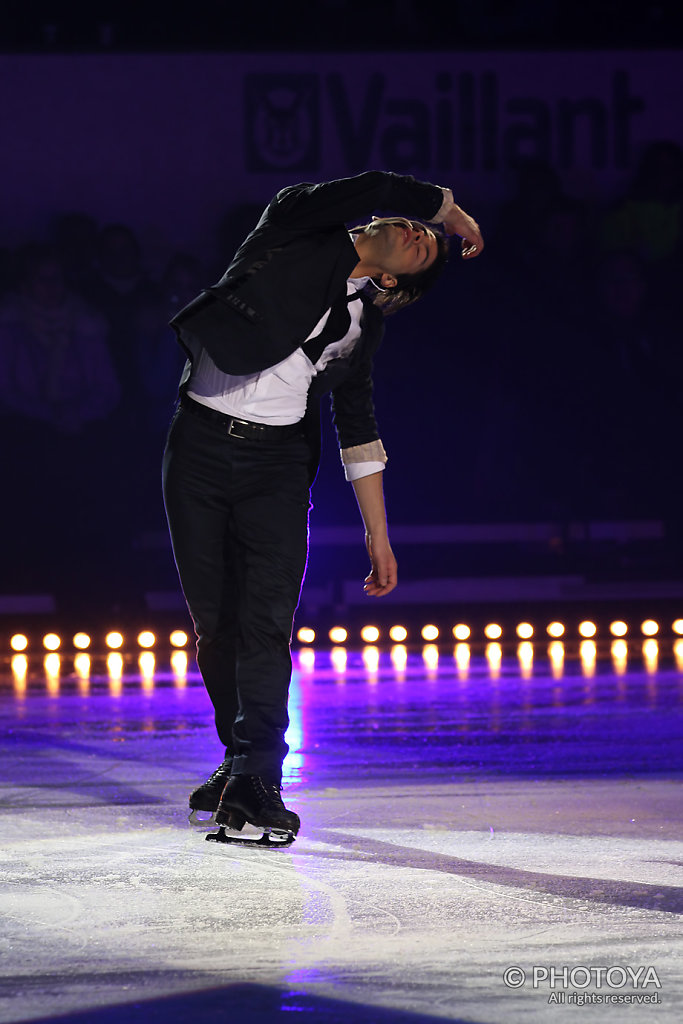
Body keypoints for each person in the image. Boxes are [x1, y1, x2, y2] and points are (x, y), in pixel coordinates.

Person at [162, 170, 483, 842]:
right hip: (196, 449)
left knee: (264, 623)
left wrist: (379, 536)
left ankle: (257, 775)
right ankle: (238, 760)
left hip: (276, 469)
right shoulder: (289, 231)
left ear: (392, 285)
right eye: (409, 223)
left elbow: (358, 429)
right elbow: (367, 189)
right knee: (216, 626)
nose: (412, 232)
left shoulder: (362, 331)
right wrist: (443, 207)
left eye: (423, 244)